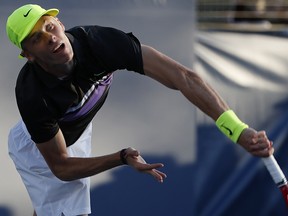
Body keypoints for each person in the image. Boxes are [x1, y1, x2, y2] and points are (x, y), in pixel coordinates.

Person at [6, 4, 273, 216]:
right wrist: (121, 157)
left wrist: (238, 130)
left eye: (51, 26)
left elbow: (182, 77)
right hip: (40, 151)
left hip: (73, 129)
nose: (51, 38)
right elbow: (61, 167)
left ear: (61, 24)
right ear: (28, 54)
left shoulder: (98, 42)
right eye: (38, 39)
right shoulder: (32, 94)